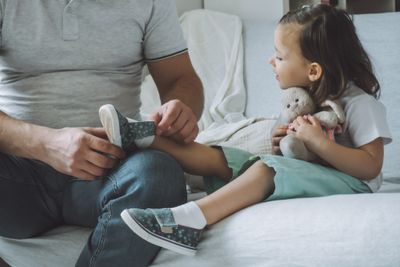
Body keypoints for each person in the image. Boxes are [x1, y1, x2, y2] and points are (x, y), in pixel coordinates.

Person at [98, 4, 392, 256]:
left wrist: (319, 143)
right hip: (307, 172)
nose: (271, 61)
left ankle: (189, 220)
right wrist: (281, 139)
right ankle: (142, 137)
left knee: (267, 169)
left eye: (279, 56)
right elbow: (296, 152)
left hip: (351, 183)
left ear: (313, 70)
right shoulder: (301, 100)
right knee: (226, 158)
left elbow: (370, 166)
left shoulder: (359, 103)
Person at [0, 1, 203, 266]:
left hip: (115, 166)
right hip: (21, 172)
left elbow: (181, 79)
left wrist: (181, 108)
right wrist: (47, 144)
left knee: (160, 173)